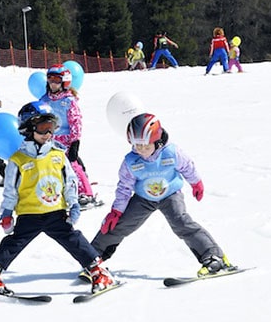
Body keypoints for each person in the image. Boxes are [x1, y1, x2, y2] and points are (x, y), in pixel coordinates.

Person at [0, 101, 116, 295]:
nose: (48, 134)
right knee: (14, 243)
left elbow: (70, 181)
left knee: (74, 240)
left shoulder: (58, 155)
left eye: (52, 128)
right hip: (29, 213)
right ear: (28, 129)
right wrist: (7, 212)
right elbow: (10, 190)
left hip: (56, 212)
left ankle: (98, 271)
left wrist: (73, 203)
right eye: (43, 128)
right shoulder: (18, 160)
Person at [90, 113, 233, 277]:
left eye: (146, 145)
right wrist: (116, 211)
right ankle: (92, 258)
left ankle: (214, 257)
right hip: (143, 198)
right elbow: (124, 188)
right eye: (137, 145)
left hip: (170, 195)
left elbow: (187, 166)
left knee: (181, 222)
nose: (142, 150)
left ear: (157, 141)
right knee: (118, 225)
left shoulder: (171, 153)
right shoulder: (131, 161)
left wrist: (195, 183)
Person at [39, 64, 96, 207]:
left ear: (64, 82)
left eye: (57, 80)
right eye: (50, 79)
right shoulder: (44, 100)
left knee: (72, 165)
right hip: (48, 139)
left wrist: (75, 142)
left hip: (66, 140)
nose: (53, 83)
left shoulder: (69, 101)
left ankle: (86, 193)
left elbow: (75, 122)